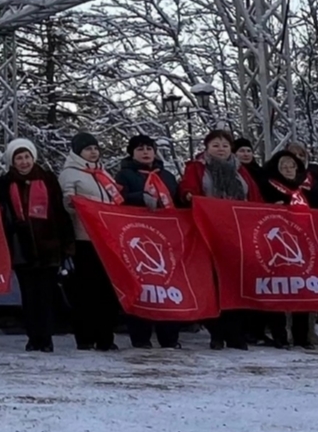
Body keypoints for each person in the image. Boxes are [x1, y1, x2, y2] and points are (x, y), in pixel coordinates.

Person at [178, 129, 263, 350]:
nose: (221, 149)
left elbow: (253, 197)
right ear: (207, 148)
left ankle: (235, 333)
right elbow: (186, 188)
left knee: (236, 282)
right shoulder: (197, 168)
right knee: (213, 282)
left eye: (225, 145)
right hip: (208, 231)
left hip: (237, 233)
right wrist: (189, 195)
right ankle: (217, 332)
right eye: (215, 145)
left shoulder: (240, 170)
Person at [0, 138, 72, 353]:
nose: (23, 162)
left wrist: (65, 244)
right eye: (19, 158)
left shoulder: (48, 179)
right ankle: (33, 337)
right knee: (29, 297)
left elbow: (59, 212)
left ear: (33, 157)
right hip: (22, 248)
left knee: (46, 296)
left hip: (48, 245)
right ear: (13, 162)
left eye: (26, 157)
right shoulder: (6, 183)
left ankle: (46, 337)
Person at [114, 134, 181, 349]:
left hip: (165, 239)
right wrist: (139, 197)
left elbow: (177, 201)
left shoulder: (168, 176)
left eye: (149, 149)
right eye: (140, 149)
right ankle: (140, 337)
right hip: (137, 239)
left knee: (167, 286)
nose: (145, 153)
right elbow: (117, 199)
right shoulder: (124, 175)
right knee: (141, 287)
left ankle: (169, 337)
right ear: (132, 153)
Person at [59, 131, 122, 352]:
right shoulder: (70, 174)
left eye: (95, 148)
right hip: (84, 238)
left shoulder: (103, 173)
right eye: (88, 149)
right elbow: (67, 203)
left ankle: (105, 336)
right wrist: (80, 205)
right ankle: (86, 336)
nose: (93, 152)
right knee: (86, 291)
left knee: (106, 290)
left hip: (105, 240)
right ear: (78, 152)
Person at [262, 149, 318, 349]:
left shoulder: (308, 188)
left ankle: (302, 336)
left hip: (304, 244)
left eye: (292, 165)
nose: (288, 169)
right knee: (278, 290)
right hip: (276, 245)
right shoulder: (267, 185)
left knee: (302, 290)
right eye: (283, 166)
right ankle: (280, 334)